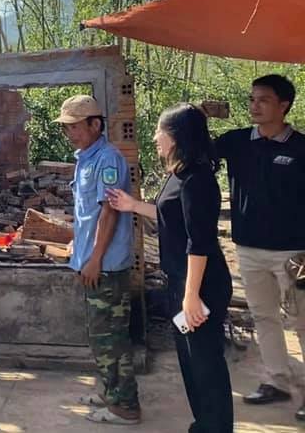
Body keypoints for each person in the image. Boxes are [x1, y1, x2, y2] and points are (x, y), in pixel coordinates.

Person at [108, 103, 233, 433]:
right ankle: (203, 424)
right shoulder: (179, 174)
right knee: (191, 362)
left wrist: (191, 296)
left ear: (176, 136)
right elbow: (172, 217)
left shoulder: (197, 180)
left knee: (206, 365)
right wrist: (133, 205)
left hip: (201, 285)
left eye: (159, 131)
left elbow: (199, 242)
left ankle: (216, 427)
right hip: (182, 281)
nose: (154, 137)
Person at [213, 74, 305, 421]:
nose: (254, 105)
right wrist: (199, 114)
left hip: (295, 253)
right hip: (249, 249)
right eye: (252, 99)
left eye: (263, 100)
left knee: (302, 320)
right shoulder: (236, 142)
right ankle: (277, 380)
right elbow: (192, 150)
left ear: (284, 105)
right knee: (264, 317)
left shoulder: (301, 148)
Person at [53, 95, 141, 425]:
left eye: (75, 127)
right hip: (91, 262)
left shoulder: (108, 159)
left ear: (95, 124)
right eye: (67, 128)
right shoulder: (86, 159)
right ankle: (111, 391)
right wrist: (79, 251)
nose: (70, 134)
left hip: (106, 267)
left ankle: (126, 406)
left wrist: (94, 259)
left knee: (111, 338)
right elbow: (86, 214)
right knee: (100, 336)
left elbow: (109, 213)